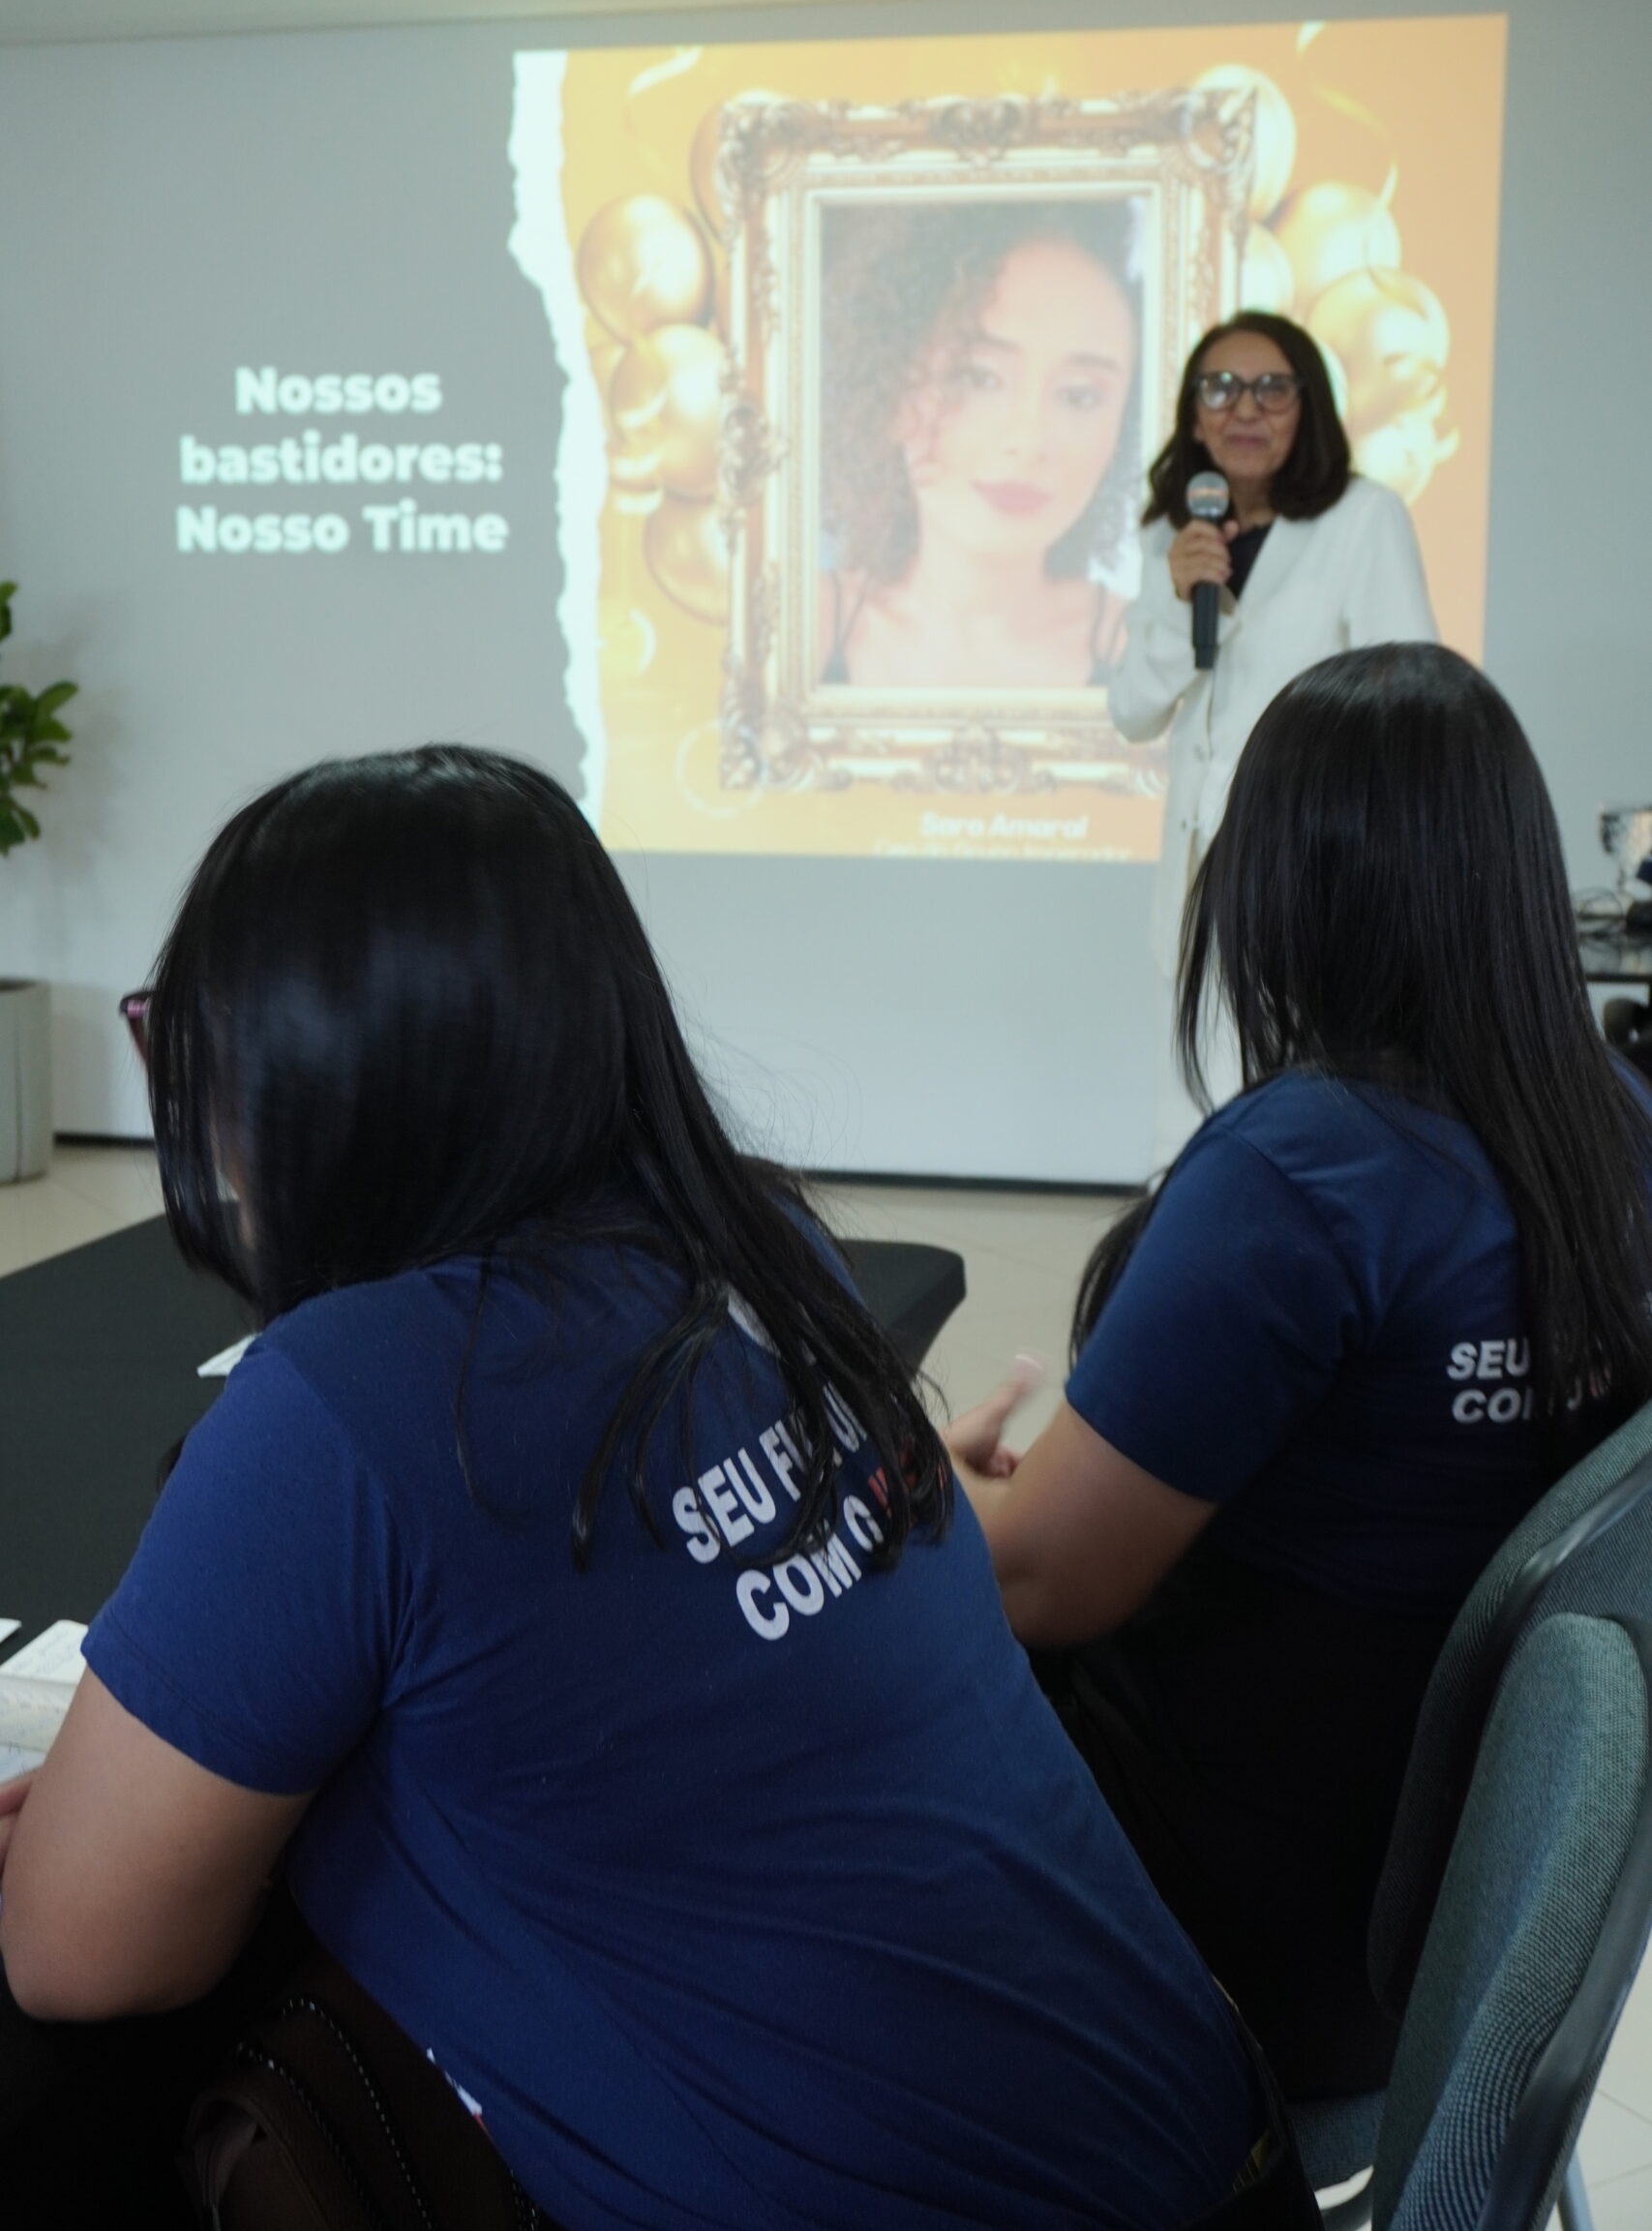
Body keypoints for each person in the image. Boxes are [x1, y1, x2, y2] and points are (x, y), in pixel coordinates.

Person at [0, 745, 1317, 2230]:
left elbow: (76, 1949)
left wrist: (134, 1821)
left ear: (298, 1079)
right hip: (1218, 2152)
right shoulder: (764, 1251)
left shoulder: (339, 1405)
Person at [946, 646, 1652, 2099]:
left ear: (1280, 887)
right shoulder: (1621, 1127)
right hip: (1443, 1936)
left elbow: (1036, 1586)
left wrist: (943, 1498)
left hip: (1221, 1934)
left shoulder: (1305, 1172)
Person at [1109, 311, 1436, 1163]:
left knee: (1304, 1101)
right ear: (1192, 415)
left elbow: (1410, 696)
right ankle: (1186, 1230)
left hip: (1318, 859)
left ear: (1307, 406)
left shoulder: (1361, 518)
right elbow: (1133, 710)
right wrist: (1181, 604)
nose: (1244, 408)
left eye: (1271, 388)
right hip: (1197, 872)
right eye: (1220, 388)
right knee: (1190, 1107)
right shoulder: (1171, 534)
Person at [818, 200, 1142, 689]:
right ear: (894, 389)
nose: (1029, 440)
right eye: (977, 377)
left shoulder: (1154, 656)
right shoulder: (802, 628)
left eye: (1079, 396)